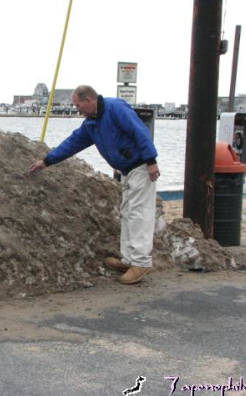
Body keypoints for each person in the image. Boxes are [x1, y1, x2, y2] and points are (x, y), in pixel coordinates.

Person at [29, 85, 160, 285]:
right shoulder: (91, 123)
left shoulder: (116, 108)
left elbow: (138, 129)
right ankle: (129, 260)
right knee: (127, 212)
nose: (76, 109)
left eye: (77, 104)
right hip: (126, 170)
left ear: (89, 100)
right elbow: (72, 143)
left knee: (138, 213)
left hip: (141, 166)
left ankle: (141, 262)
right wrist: (47, 161)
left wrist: (151, 160)